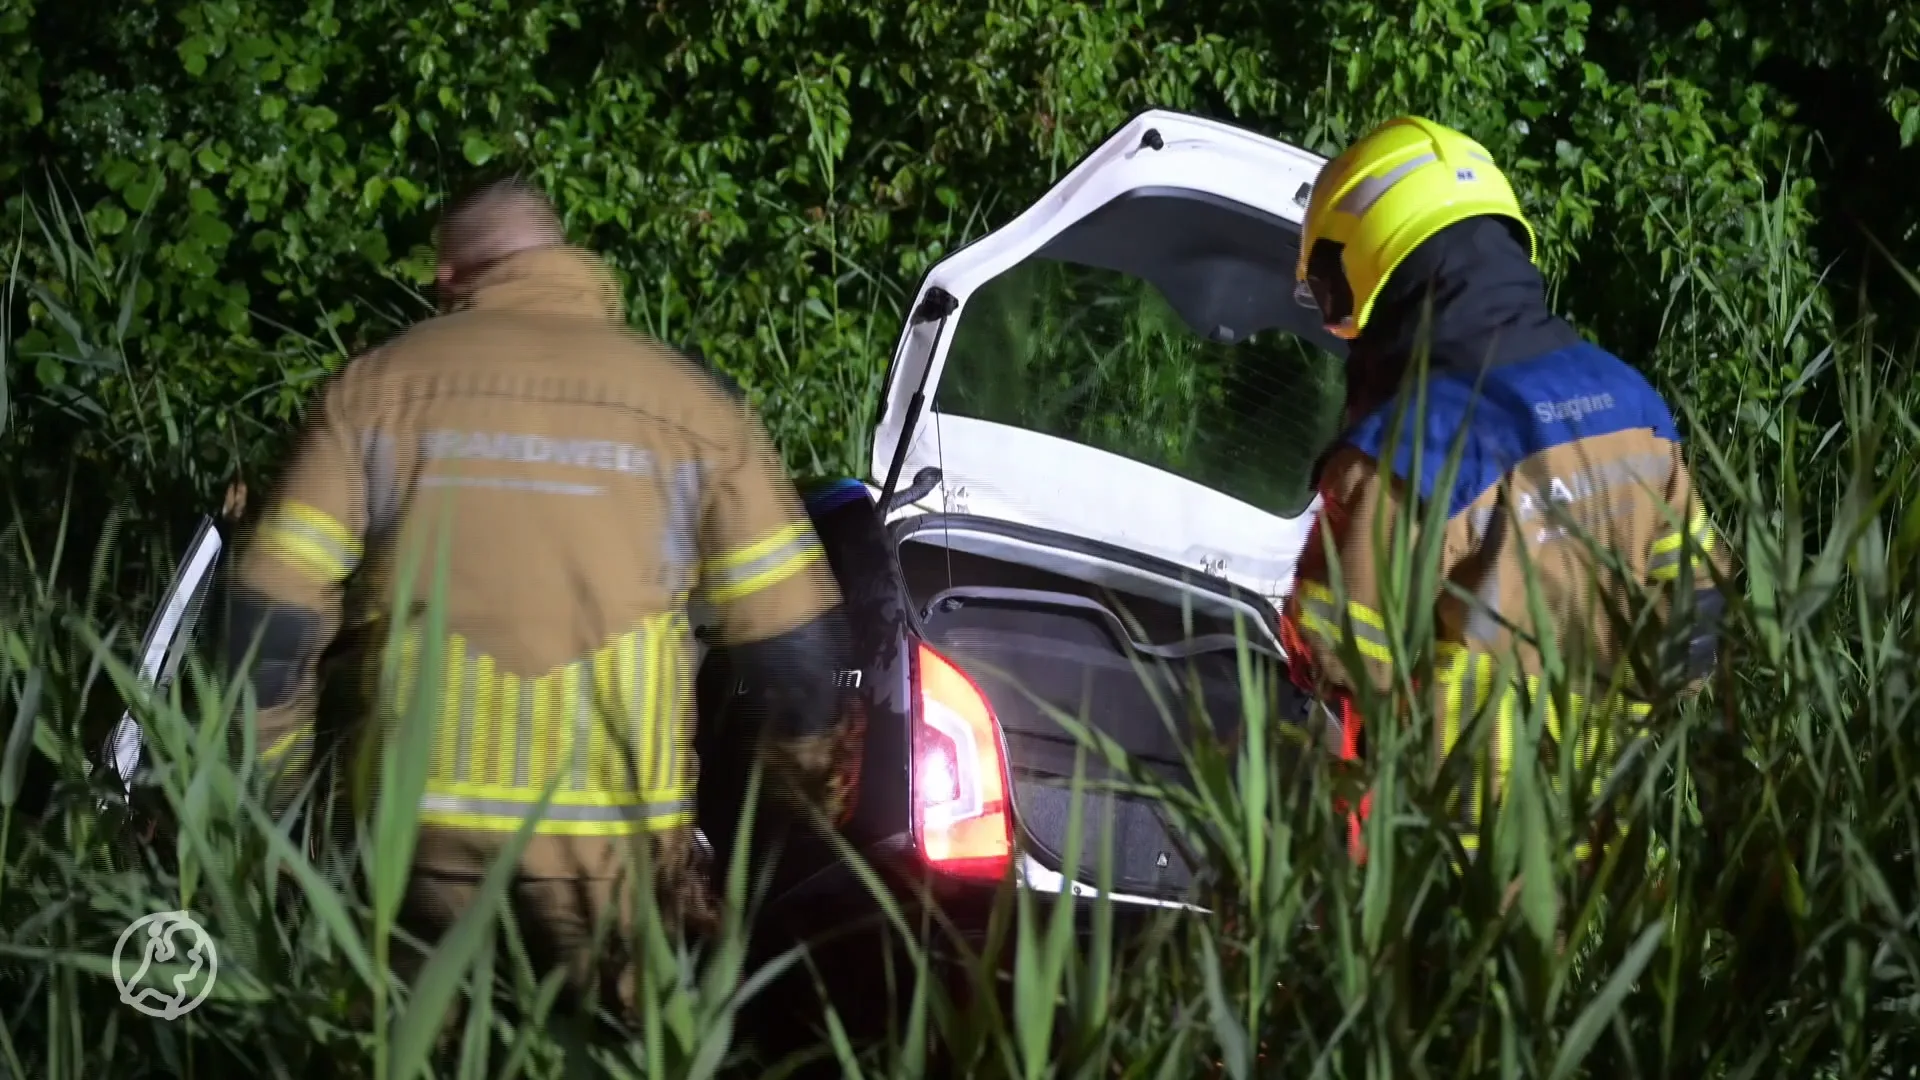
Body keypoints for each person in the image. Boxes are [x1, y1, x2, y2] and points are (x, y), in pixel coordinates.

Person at [224, 176, 858, 1010]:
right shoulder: (695, 410)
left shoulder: (375, 391)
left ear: (450, 278)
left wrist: (272, 815)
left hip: (415, 851)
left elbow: (270, 620)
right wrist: (769, 850)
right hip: (614, 869)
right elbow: (800, 660)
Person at [1278, 116, 1732, 860]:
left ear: (1371, 259)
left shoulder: (1401, 451)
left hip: (1453, 862)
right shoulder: (1634, 408)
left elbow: (1334, 659)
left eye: (1331, 289)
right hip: (1607, 846)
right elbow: (1698, 630)